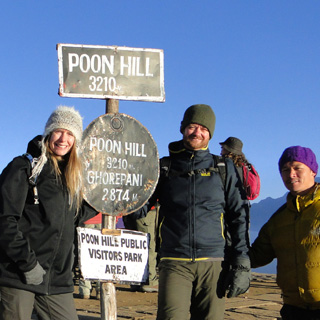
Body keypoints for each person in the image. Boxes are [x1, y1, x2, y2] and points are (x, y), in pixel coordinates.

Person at [131, 104, 251, 320]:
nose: (197, 133)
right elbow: (138, 209)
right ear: (182, 129)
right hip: (174, 260)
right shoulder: (164, 167)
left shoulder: (223, 168)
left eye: (203, 128)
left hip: (214, 262)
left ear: (210, 134)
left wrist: (241, 261)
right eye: (192, 127)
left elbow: (238, 215)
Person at [0, 106, 98, 320]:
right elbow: (5, 220)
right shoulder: (24, 168)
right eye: (58, 131)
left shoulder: (72, 176)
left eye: (70, 133)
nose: (64, 139)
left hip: (57, 280)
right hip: (19, 273)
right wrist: (28, 263)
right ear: (48, 133)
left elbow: (69, 219)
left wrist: (101, 202)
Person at [249, 146, 320, 320]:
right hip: (293, 309)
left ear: (312, 171)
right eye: (285, 170)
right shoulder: (279, 219)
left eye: (297, 168)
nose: (291, 174)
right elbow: (257, 256)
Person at [123, 204, 159, 293]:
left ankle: (135, 281)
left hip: (128, 209)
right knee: (148, 246)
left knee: (132, 246)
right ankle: (150, 282)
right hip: (145, 210)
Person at [78, 213, 102, 300]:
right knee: (102, 256)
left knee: (85, 254)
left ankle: (85, 290)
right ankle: (101, 290)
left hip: (86, 218)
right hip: (105, 218)